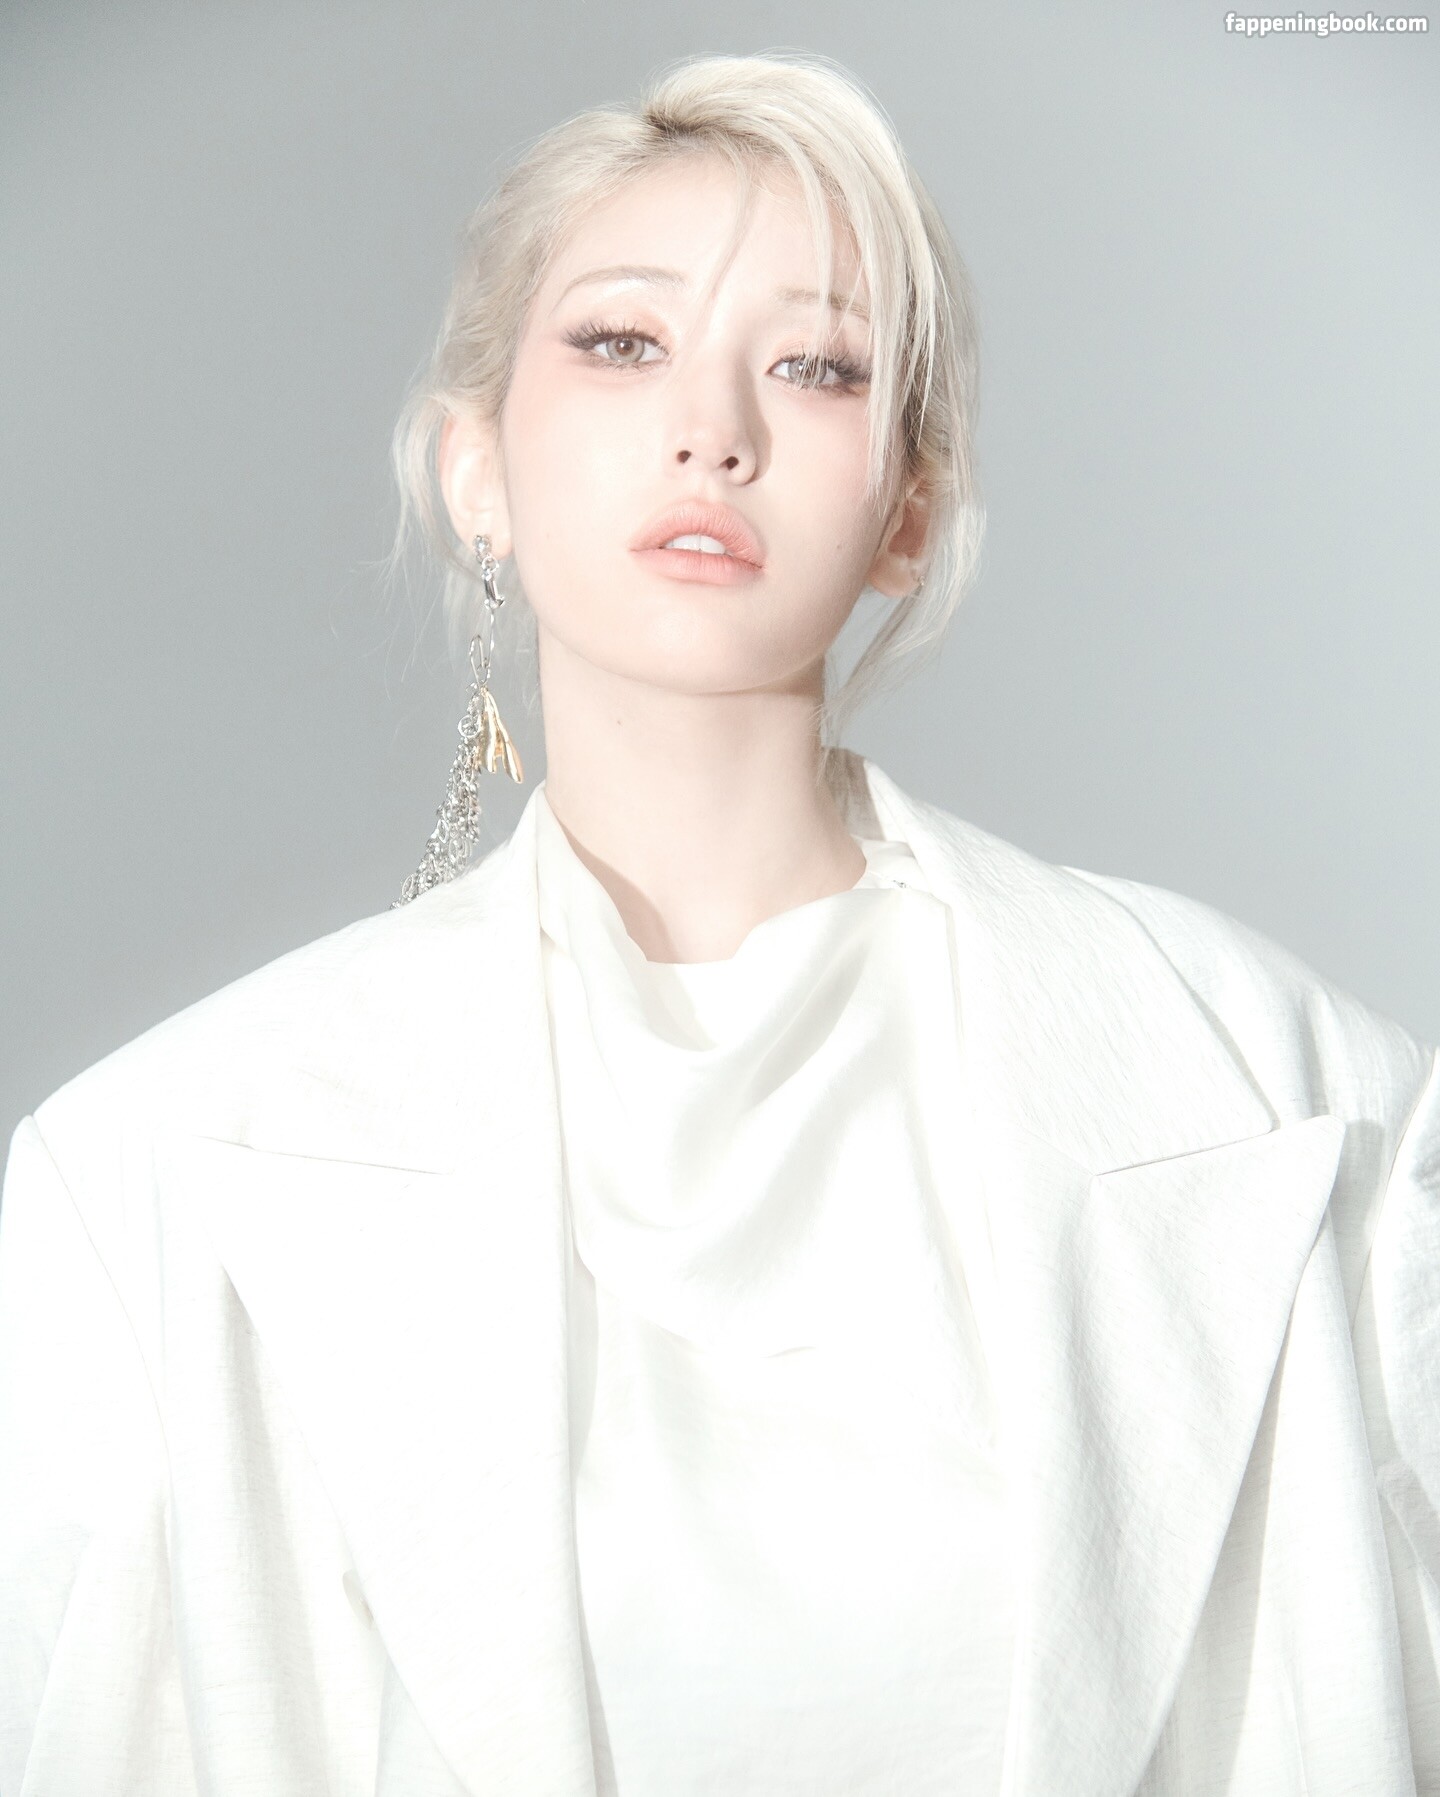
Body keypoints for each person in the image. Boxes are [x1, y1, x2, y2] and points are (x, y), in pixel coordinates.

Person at [0, 49, 1435, 1797]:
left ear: (908, 511)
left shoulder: (1306, 1104)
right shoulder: (139, 1178)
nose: (714, 428)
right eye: (622, 342)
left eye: (816, 365)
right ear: (474, 467)